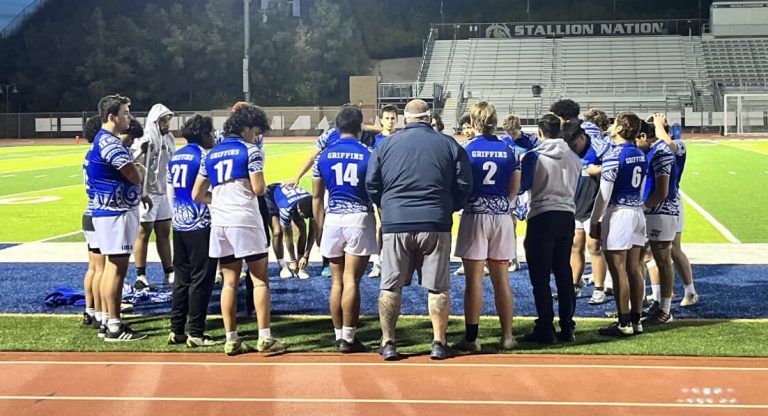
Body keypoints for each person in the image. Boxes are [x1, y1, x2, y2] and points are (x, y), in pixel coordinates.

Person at [366, 99, 472, 361]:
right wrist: (448, 207)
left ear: (405, 119)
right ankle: (438, 341)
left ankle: (388, 341)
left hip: (396, 222)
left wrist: (388, 207)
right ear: (429, 117)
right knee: (437, 287)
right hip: (435, 220)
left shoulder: (386, 145)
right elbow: (464, 183)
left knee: (390, 285)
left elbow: (371, 184)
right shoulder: (448, 143)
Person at [192, 103, 286, 355]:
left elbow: (197, 194)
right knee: (260, 280)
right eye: (255, 130)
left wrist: (220, 199)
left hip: (220, 222)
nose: (256, 135)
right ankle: (264, 336)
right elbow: (258, 189)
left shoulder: (210, 154)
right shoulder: (250, 150)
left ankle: (231, 338)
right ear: (246, 127)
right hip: (245, 219)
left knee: (229, 282)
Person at [454, 102, 520, 352]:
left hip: (475, 215)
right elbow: (514, 189)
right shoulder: (510, 150)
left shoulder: (466, 149)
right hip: (501, 216)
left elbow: (460, 185)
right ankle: (507, 336)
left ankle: (472, 338)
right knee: (501, 280)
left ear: (473, 121)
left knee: (474, 280)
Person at [312, 105, 378, 353]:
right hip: (358, 218)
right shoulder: (369, 154)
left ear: (337, 126)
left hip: (332, 218)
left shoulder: (324, 155)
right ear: (360, 127)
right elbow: (375, 192)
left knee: (337, 282)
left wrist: (318, 228)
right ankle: (349, 337)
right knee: (352, 280)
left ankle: (338, 334)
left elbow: (317, 197)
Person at [519, 113, 583, 344]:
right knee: (563, 273)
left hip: (542, 216)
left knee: (540, 276)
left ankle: (545, 326)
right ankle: (568, 326)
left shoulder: (534, 156)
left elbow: (522, 187)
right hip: (566, 216)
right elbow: (577, 187)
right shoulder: (574, 158)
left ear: (540, 132)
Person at [88, 94, 148, 342]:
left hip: (108, 210)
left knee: (111, 268)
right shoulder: (111, 144)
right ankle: (114, 325)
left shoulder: (103, 141)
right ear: (113, 117)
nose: (129, 118)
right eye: (125, 113)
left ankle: (106, 320)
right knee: (116, 269)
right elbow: (135, 176)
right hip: (116, 211)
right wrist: (140, 170)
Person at [589, 112, 648, 336]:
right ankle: (637, 320)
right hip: (636, 211)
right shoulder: (640, 154)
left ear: (621, 129)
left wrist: (595, 221)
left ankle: (623, 323)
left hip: (619, 213)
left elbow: (604, 195)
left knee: (618, 271)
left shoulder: (614, 155)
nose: (611, 126)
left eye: (615, 124)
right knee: (634, 269)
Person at [550, 99, 612, 300]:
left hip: (593, 200)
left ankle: (599, 287)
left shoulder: (589, 132)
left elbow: (610, 158)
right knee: (575, 245)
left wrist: (598, 169)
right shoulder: (566, 134)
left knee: (594, 246)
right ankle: (574, 285)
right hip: (574, 199)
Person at [166, 115, 219, 347]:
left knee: (182, 278)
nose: (215, 137)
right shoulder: (205, 157)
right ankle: (196, 331)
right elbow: (211, 191)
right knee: (202, 279)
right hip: (201, 223)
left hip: (179, 224)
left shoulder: (175, 156)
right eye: (212, 133)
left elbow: (170, 194)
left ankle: (176, 328)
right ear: (205, 134)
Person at [647, 114, 699, 307]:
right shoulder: (653, 147)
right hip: (664, 201)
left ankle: (681, 293)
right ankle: (665, 294)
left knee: (668, 251)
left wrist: (658, 126)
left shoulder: (675, 145)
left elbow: (668, 144)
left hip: (668, 202)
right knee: (660, 252)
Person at [636, 116, 679, 325]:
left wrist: (642, 208)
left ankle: (665, 310)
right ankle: (649, 304)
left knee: (662, 260)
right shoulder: (652, 151)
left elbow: (662, 191)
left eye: (636, 139)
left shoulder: (661, 153)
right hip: (651, 210)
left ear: (644, 136)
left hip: (661, 211)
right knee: (645, 258)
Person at [133, 104, 176, 289]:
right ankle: (141, 275)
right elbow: (136, 164)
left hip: (162, 190)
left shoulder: (170, 139)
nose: (167, 124)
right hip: (147, 192)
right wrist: (142, 192)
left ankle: (169, 272)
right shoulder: (146, 139)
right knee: (144, 232)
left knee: (164, 231)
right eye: (164, 120)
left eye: (168, 120)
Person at [81, 115, 106, 332]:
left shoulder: (88, 155)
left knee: (93, 268)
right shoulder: (100, 154)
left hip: (88, 211)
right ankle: (101, 314)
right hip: (100, 213)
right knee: (102, 269)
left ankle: (89, 310)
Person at [367, 105, 398, 278]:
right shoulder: (374, 140)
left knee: (395, 227)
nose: (390, 121)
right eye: (387, 118)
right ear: (381, 120)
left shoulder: (402, 138)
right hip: (381, 189)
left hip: (397, 189)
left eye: (393, 118)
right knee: (379, 226)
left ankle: (393, 261)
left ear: (397, 120)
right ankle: (377, 262)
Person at [270, 184, 315, 279]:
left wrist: (305, 256)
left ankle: (300, 265)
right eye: (303, 216)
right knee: (277, 232)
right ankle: (282, 266)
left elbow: (313, 231)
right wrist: (292, 260)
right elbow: (288, 235)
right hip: (271, 194)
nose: (305, 218)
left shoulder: (314, 204)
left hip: (291, 198)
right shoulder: (286, 209)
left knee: (302, 226)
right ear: (298, 210)